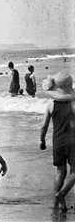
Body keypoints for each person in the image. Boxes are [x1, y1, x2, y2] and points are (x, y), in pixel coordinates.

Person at [40, 72, 75, 213]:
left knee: (60, 172)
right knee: (74, 171)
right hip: (73, 141)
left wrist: (42, 140)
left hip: (58, 141)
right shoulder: (73, 104)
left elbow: (44, 125)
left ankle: (56, 203)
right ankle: (62, 194)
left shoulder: (51, 104)